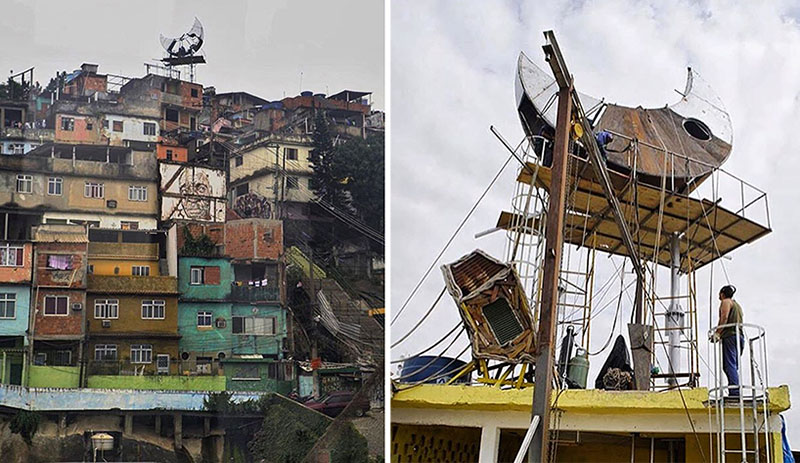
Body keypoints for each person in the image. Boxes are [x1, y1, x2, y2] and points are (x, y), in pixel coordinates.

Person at [713, 284, 744, 397]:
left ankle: (735, 392)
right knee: (733, 365)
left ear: (722, 294)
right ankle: (735, 389)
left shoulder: (726, 302)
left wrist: (718, 332)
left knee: (729, 365)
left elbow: (724, 317)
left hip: (730, 336)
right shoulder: (737, 305)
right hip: (739, 336)